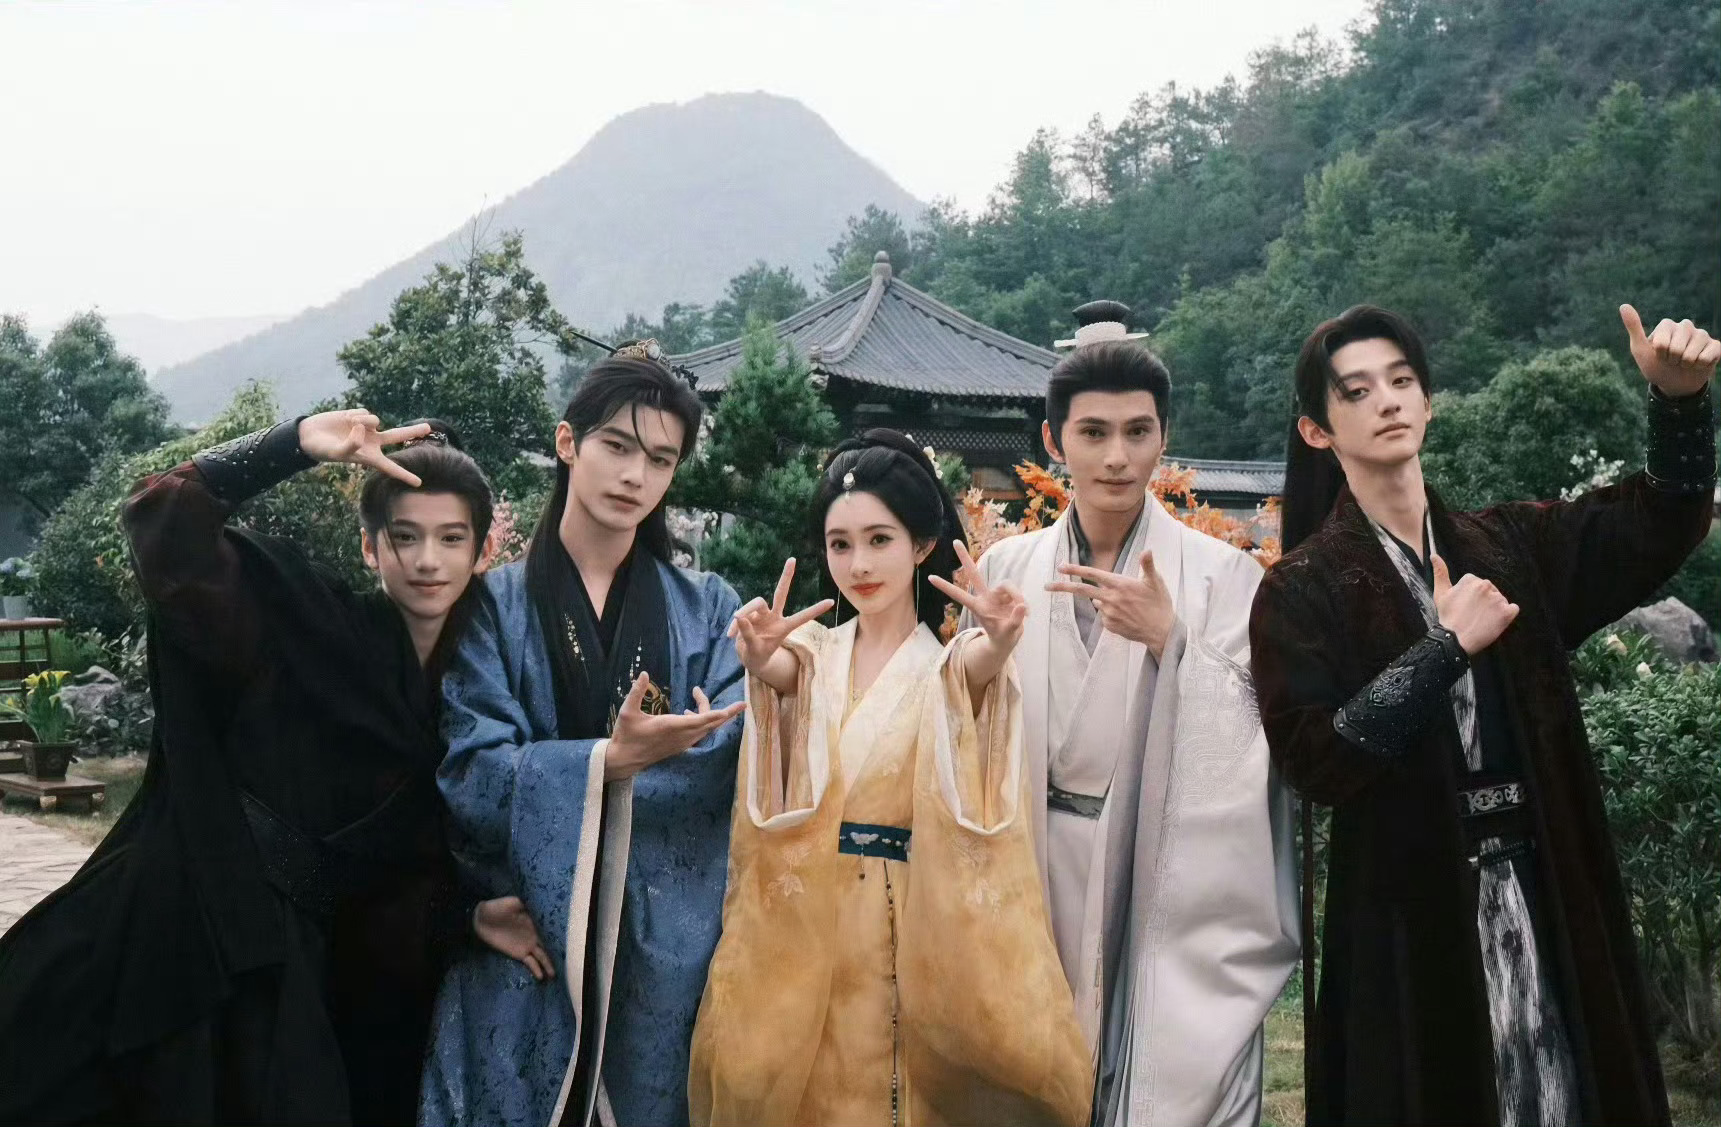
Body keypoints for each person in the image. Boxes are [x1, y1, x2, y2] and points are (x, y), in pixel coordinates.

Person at [1250, 303, 1717, 1126]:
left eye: (1401, 380)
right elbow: (1316, 762)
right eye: (1355, 390)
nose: (1386, 400)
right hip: (1411, 907)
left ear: (1427, 401)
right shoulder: (1300, 588)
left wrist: (1677, 404)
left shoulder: (1508, 547)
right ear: (1316, 429)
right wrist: (1443, 648)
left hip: (1547, 878)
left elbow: (1653, 523)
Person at [0, 409, 502, 1126]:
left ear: (484, 550)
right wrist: (291, 444)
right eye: (405, 536)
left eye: (451, 538)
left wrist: (466, 917)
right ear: (370, 547)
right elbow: (166, 533)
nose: (427, 560)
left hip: (334, 970)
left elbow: (408, 869)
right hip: (203, 926)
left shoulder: (483, 681)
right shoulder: (305, 622)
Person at [689, 428, 1091, 1127]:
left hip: (906, 914)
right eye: (840, 544)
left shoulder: (945, 664)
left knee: (893, 1085)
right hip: (808, 916)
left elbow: (971, 676)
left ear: (922, 544)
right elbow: (785, 679)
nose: (860, 563)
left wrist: (997, 642)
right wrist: (759, 660)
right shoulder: (810, 654)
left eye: (880, 539)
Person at [968, 302, 1300, 1126]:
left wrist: (1172, 643)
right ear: (1054, 442)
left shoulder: (1223, 575)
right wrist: (973, 665)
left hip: (1157, 873)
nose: (1116, 457)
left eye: (1137, 432)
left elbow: (1263, 733)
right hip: (1030, 862)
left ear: (1163, 438)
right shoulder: (1006, 566)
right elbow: (962, 727)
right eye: (1093, 433)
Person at [421, 344, 748, 1127]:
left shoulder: (708, 607)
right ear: (568, 442)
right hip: (526, 938)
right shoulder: (488, 607)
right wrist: (611, 759)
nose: (635, 475)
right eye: (617, 445)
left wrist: (779, 685)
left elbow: (731, 754)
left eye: (660, 459)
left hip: (662, 952)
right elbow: (472, 771)